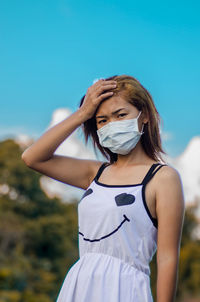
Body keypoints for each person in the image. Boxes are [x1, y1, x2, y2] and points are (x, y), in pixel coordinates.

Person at [21, 75, 185, 302]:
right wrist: (82, 114)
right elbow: (32, 157)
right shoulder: (94, 173)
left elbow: (167, 258)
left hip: (125, 289)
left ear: (144, 115)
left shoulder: (162, 178)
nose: (112, 125)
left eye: (121, 115)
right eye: (102, 120)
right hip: (79, 286)